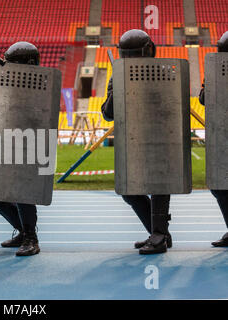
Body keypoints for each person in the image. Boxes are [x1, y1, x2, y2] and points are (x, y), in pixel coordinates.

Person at [101, 29, 172, 255]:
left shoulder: (164, 71)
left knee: (160, 186)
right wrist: (117, 88)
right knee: (129, 191)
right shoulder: (116, 77)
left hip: (160, 136)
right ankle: (159, 233)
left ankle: (159, 235)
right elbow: (108, 113)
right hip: (132, 140)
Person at [0, 41, 41, 256]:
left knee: (23, 192)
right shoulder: (5, 83)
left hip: (30, 142)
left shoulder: (41, 83)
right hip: (6, 141)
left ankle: (31, 237)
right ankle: (22, 230)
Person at [198, 30, 228, 247]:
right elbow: (204, 98)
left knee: (220, 185)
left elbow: (204, 98)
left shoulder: (215, 69)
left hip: (223, 133)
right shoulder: (214, 70)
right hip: (223, 134)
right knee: (219, 185)